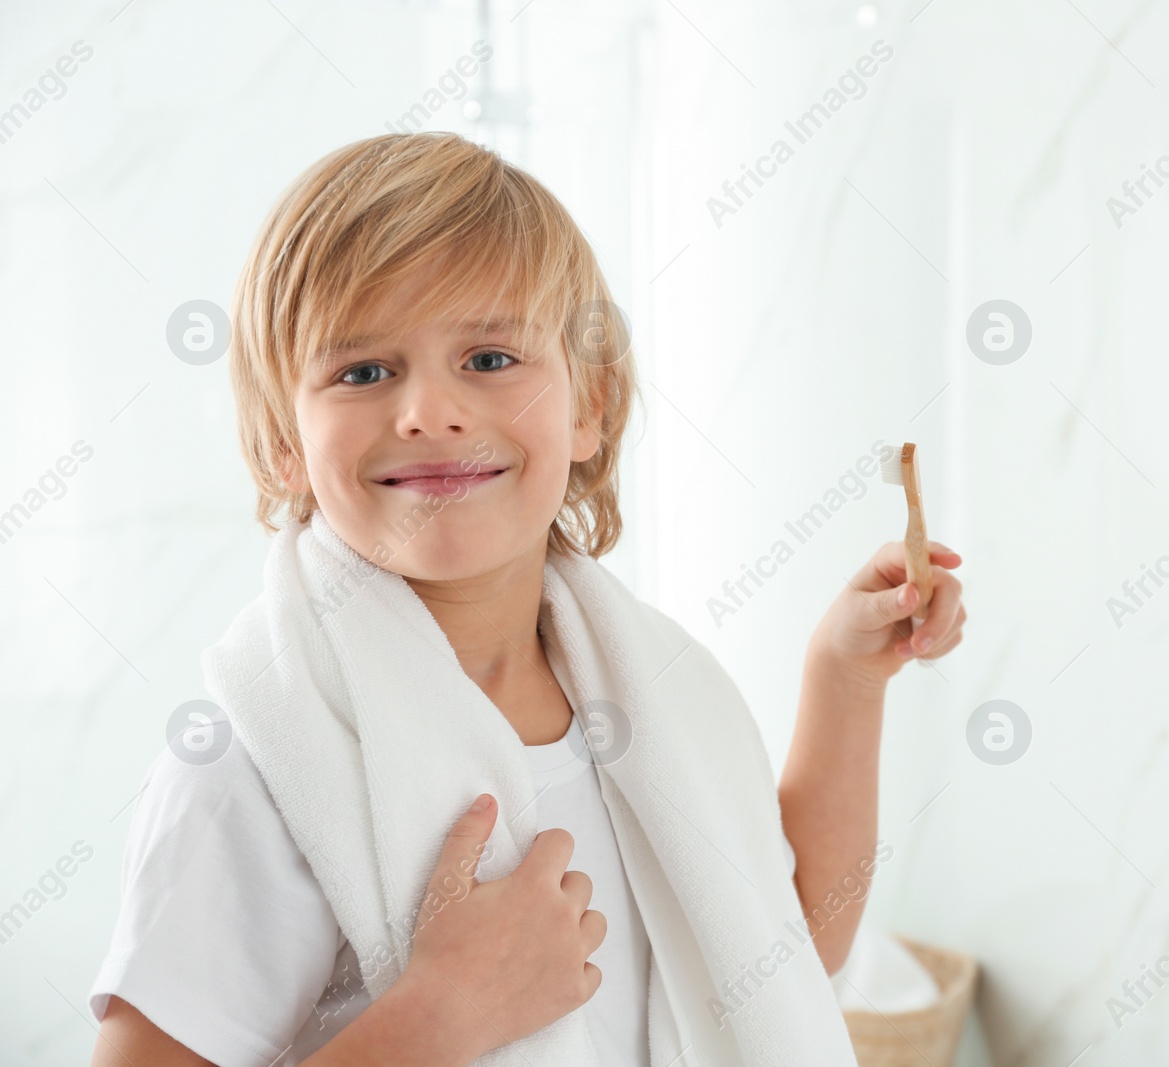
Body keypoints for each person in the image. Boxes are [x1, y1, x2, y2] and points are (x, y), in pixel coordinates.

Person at [87, 131, 966, 1067]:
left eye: (491, 358)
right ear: (281, 446)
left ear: (588, 407)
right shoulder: (256, 762)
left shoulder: (658, 693)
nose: (429, 409)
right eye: (363, 371)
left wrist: (846, 682)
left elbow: (783, 960)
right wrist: (438, 1018)